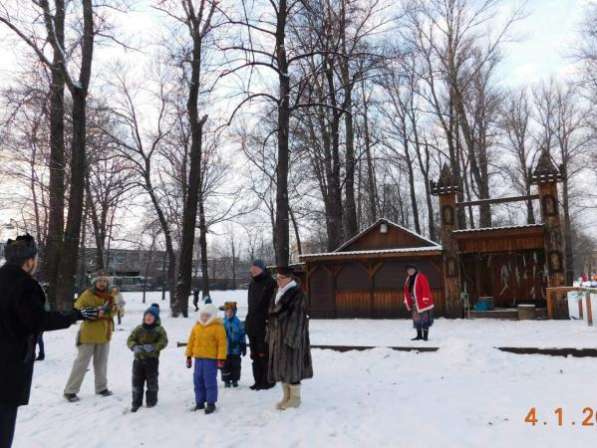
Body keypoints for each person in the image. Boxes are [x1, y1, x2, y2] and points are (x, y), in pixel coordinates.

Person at [0, 234, 92, 448]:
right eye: (36, 257)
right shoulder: (24, 285)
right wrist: (73, 315)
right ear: (29, 260)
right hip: (7, 370)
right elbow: (37, 320)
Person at [63, 271, 116, 402]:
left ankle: (101, 387)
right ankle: (70, 391)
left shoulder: (111, 295)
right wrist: (90, 312)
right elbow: (77, 308)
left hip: (104, 334)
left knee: (101, 363)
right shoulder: (87, 294)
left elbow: (119, 310)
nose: (102, 283)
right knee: (81, 364)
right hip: (88, 335)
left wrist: (111, 310)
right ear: (95, 282)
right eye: (99, 281)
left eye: (104, 281)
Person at [267, 266, 313, 411]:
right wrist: (270, 334)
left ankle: (295, 399)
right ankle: (286, 396)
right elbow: (271, 313)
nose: (278, 281)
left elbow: (298, 318)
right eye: (277, 278)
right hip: (277, 337)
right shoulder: (277, 292)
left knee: (293, 367)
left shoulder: (297, 294)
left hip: (291, 338)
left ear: (289, 279)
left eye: (281, 278)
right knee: (281, 368)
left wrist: (292, 339)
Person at [185, 304, 227, 415]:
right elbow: (191, 342)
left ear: (212, 316)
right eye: (203, 315)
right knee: (198, 381)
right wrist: (189, 356)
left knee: (209, 381)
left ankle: (211, 403)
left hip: (211, 359)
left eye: (207, 316)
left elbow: (222, 344)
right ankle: (199, 402)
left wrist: (221, 358)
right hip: (198, 359)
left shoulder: (218, 327)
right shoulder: (196, 326)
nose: (204, 318)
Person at [127, 305, 168, 412]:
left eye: (151, 316)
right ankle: (136, 402)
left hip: (152, 360)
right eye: (147, 315)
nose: (148, 318)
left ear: (155, 318)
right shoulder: (139, 329)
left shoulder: (159, 329)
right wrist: (134, 346)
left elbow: (164, 341)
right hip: (138, 360)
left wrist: (154, 347)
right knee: (137, 382)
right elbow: (130, 339)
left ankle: (151, 401)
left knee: (152, 381)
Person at [246, 259, 276, 390]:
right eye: (252, 268)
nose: (252, 270)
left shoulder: (270, 283)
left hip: (264, 324)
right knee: (254, 354)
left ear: (262, 269)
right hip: (252, 323)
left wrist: (268, 320)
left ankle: (268, 381)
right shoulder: (252, 284)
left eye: (255, 268)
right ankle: (257, 380)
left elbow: (273, 304)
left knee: (264, 353)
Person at [403, 264, 434, 341]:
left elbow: (425, 287)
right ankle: (419, 336)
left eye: (412, 270)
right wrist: (407, 301)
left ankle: (425, 336)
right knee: (417, 320)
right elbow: (406, 291)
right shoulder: (408, 279)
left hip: (422, 302)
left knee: (424, 319)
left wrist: (425, 298)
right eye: (409, 270)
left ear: (415, 270)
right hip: (414, 303)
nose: (410, 271)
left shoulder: (421, 276)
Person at [219, 302, 246, 388]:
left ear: (234, 312)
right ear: (225, 312)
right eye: (227, 311)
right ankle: (226, 380)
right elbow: (218, 335)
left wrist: (243, 345)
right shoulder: (222, 322)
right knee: (225, 366)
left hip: (236, 349)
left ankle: (235, 380)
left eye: (231, 312)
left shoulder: (238, 323)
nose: (229, 313)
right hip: (225, 350)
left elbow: (242, 334)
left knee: (236, 365)